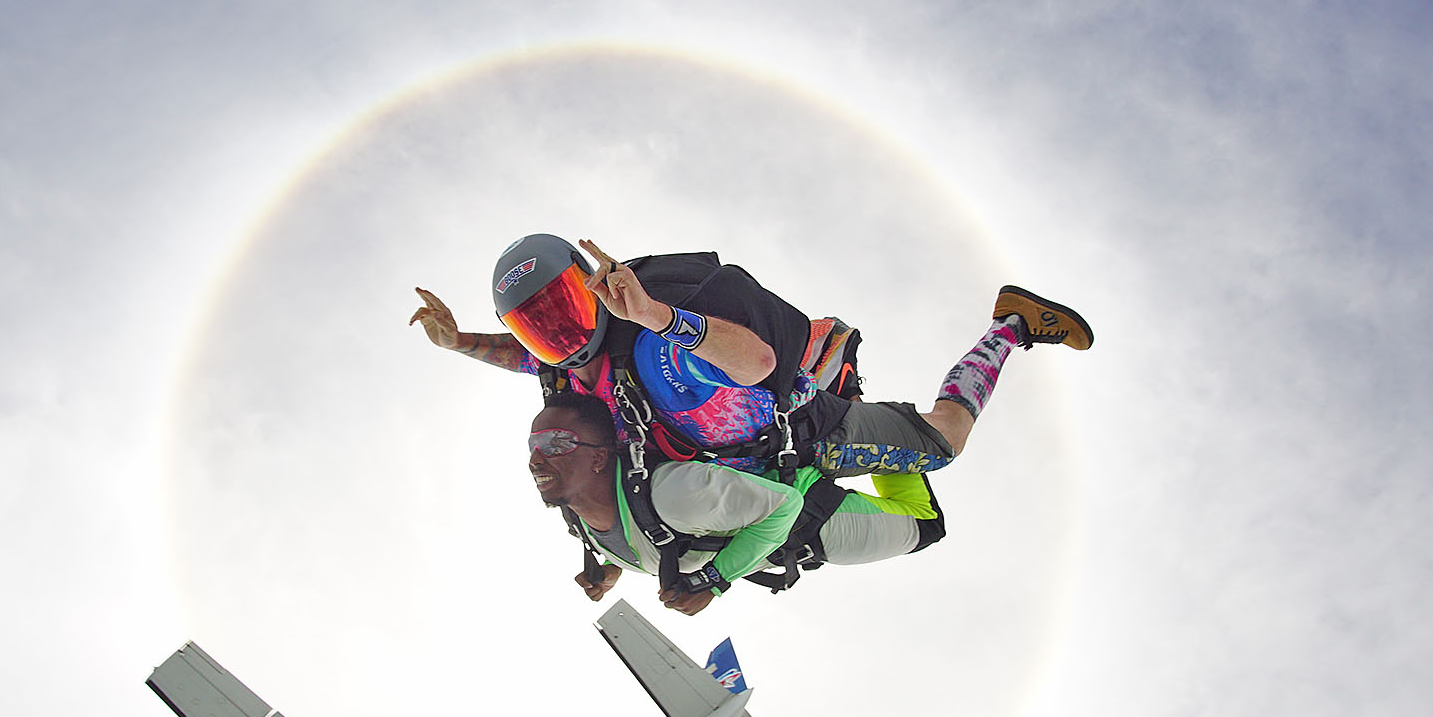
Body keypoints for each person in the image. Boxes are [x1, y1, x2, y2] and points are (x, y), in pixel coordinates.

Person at [411, 234, 1093, 479]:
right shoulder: (566, 367)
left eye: (562, 305)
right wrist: (455, 343)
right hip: (739, 461)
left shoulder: (656, 346)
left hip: (803, 431)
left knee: (944, 442)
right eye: (540, 325)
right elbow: (520, 358)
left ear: (592, 290)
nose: (557, 334)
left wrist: (658, 316)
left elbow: (753, 360)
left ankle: (1012, 324)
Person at [528, 392, 945, 616]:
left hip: (817, 520)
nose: (536, 458)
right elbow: (637, 534)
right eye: (534, 445)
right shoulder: (580, 518)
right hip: (785, 526)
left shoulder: (677, 495)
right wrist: (612, 568)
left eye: (555, 444)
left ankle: (1006, 327)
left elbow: (785, 507)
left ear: (599, 456)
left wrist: (715, 581)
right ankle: (860, 414)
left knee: (926, 524)